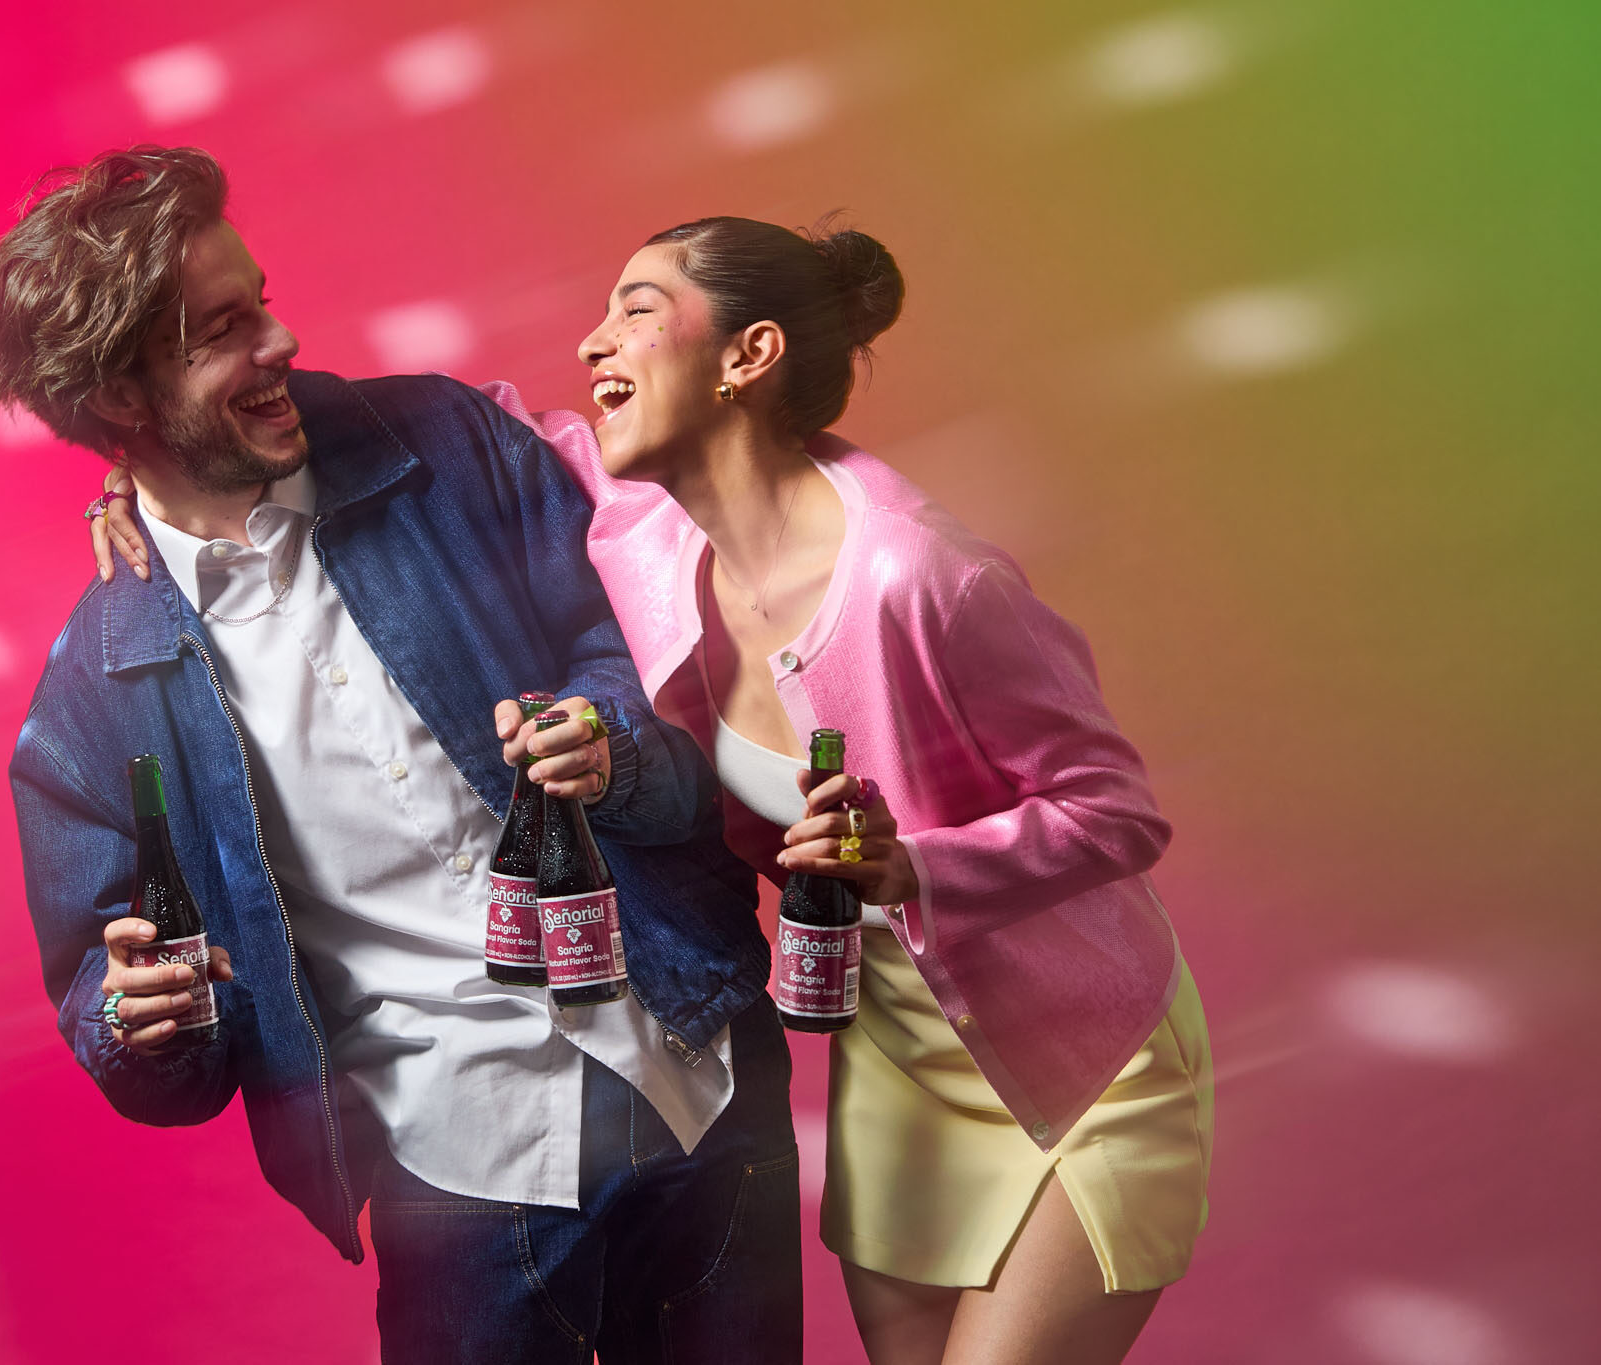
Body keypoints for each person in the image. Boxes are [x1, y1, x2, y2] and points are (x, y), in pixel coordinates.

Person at [92, 212, 1216, 1365]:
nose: (591, 343)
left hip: (1079, 1052)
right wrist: (152, 478)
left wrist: (916, 866)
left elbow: (1114, 808)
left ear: (748, 355)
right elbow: (430, 423)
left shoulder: (919, 576)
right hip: (897, 1062)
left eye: (636, 309)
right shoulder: (633, 521)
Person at [0, 147, 803, 1365]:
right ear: (119, 402)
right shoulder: (94, 698)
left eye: (257, 297)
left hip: (699, 1074)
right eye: (222, 329)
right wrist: (134, 1017)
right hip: (461, 1175)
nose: (279, 336)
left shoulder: (451, 443)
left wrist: (607, 741)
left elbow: (634, 656)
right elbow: (138, 1033)